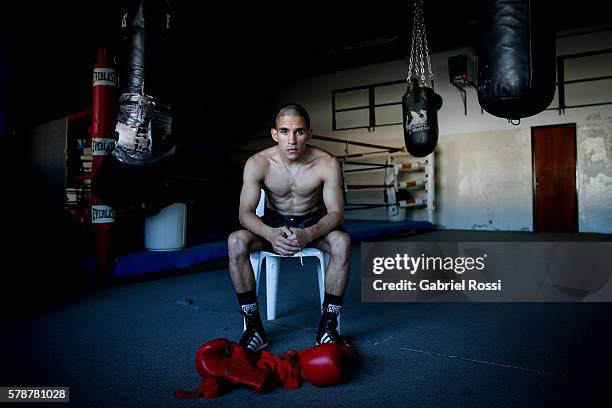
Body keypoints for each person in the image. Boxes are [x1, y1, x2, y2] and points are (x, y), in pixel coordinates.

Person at [227, 103, 351, 354]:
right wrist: (270, 233)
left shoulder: (326, 162)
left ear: (309, 133)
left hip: (313, 223)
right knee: (236, 242)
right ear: (275, 134)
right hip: (273, 223)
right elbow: (245, 214)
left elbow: (336, 213)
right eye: (284, 132)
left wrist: (309, 234)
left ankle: (328, 327)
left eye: (299, 132)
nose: (292, 140)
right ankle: (253, 328)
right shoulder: (258, 163)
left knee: (342, 242)